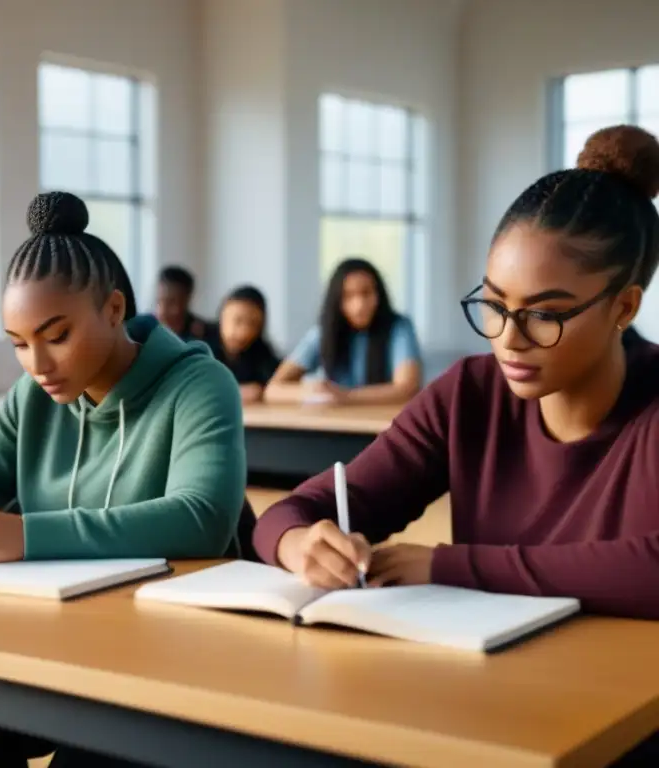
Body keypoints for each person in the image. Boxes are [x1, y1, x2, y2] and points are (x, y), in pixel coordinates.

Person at [253, 125, 659, 764]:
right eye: (495, 305)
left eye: (546, 314)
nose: (509, 339)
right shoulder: (469, 393)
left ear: (624, 307)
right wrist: (299, 542)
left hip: (624, 726)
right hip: (480, 711)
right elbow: (293, 511)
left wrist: (450, 564)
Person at [0, 191, 246, 767]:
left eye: (56, 336)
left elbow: (201, 519)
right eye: (20, 345)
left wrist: (31, 534)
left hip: (172, 655)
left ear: (114, 309)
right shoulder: (33, 395)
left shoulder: (200, 384)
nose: (37, 364)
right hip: (60, 639)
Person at [265, 258, 422, 405]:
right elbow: (273, 390)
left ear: (379, 295)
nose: (359, 304)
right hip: (338, 424)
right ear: (336, 301)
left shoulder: (399, 327)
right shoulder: (323, 332)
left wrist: (346, 396)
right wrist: (312, 390)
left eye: (367, 293)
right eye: (348, 296)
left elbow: (408, 387)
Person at [208, 285, 282, 403]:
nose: (243, 332)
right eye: (238, 320)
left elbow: (276, 384)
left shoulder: (262, 354)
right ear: (222, 316)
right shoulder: (200, 346)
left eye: (253, 324)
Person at [152, 265, 210, 341]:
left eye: (171, 303)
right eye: (159, 301)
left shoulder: (205, 336)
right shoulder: (145, 334)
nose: (162, 311)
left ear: (187, 300)